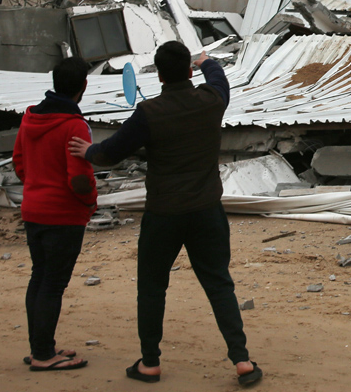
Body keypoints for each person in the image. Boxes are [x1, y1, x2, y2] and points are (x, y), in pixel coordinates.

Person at [68, 41, 262, 386]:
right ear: (188, 71)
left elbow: (111, 153)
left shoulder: (149, 112)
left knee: (153, 287)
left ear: (158, 75)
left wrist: (89, 151)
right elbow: (220, 78)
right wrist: (206, 61)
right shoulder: (211, 101)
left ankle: (150, 363)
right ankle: (242, 360)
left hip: (164, 212)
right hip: (206, 210)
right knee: (218, 284)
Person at [13, 56, 97, 372]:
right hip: (63, 214)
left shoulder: (30, 118)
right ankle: (44, 354)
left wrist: (37, 186)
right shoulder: (75, 125)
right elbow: (79, 178)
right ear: (83, 87)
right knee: (52, 283)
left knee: (40, 277)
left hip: (33, 210)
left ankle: (40, 346)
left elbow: (19, 162)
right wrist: (90, 201)